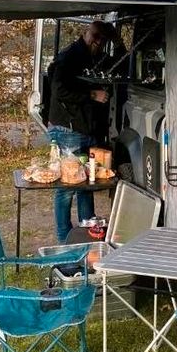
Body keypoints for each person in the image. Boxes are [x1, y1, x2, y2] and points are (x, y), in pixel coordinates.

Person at [47, 21, 111, 242]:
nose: (100, 44)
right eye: (98, 38)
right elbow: (60, 90)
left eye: (103, 41)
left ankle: (87, 233)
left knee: (86, 183)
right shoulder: (70, 56)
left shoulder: (92, 56)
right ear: (90, 36)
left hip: (83, 128)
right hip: (67, 129)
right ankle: (64, 240)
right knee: (67, 186)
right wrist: (93, 95)